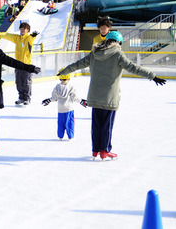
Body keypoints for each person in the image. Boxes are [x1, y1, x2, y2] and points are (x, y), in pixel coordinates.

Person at [58, 31, 166, 160]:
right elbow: (133, 67)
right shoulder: (117, 54)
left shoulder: (94, 53)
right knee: (107, 125)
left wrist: (64, 71)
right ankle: (105, 150)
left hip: (95, 95)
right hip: (110, 97)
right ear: (119, 43)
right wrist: (152, 76)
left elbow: (78, 64)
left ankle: (95, 150)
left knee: (96, 124)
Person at [0, 22, 39, 105]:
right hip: (18, 65)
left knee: (26, 82)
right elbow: (8, 35)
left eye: (24, 28)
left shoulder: (28, 38)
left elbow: (31, 38)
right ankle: (21, 97)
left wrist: (33, 35)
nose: (22, 30)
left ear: (28, 30)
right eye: (21, 28)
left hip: (27, 65)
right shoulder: (17, 38)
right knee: (19, 82)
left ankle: (27, 98)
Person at [42, 71, 87, 140]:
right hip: (69, 108)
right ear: (69, 78)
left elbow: (54, 98)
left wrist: (49, 100)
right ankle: (70, 135)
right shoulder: (71, 87)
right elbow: (74, 97)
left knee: (61, 123)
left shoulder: (57, 87)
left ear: (60, 78)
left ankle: (60, 135)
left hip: (60, 109)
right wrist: (81, 101)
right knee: (70, 122)